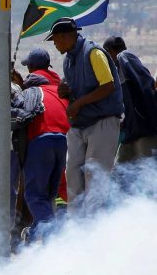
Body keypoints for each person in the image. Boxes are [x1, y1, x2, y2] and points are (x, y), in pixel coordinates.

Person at [46, 17, 124, 212]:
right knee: (72, 173)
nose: (54, 44)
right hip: (80, 124)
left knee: (94, 175)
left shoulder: (94, 53)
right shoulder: (68, 61)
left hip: (102, 122)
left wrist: (79, 102)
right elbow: (79, 88)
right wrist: (66, 92)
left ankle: (93, 230)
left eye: (55, 40)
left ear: (66, 36)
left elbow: (108, 86)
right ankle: (77, 227)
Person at [11, 47, 71, 243]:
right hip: (62, 142)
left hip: (40, 140)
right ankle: (34, 235)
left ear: (30, 68)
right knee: (49, 196)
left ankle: (53, 237)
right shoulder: (58, 89)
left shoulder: (31, 92)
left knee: (35, 196)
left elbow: (21, 113)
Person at [102, 36, 157, 164]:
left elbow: (146, 88)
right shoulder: (118, 71)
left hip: (145, 130)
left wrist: (150, 119)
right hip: (131, 133)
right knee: (120, 174)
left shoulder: (124, 57)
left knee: (148, 171)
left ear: (110, 51)